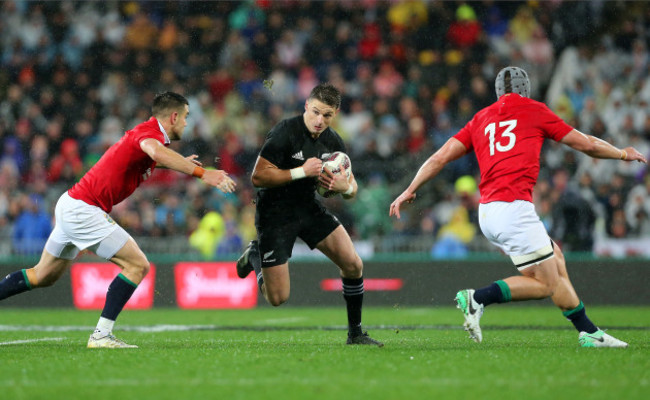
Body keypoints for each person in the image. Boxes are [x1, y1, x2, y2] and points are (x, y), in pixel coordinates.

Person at [389, 67, 647, 348]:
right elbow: (586, 144)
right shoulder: (534, 110)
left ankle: (589, 332)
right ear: (526, 89)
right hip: (514, 209)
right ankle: (477, 298)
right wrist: (622, 153)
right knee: (546, 285)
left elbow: (439, 158)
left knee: (556, 261)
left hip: (488, 211)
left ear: (498, 91)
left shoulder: (481, 118)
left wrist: (409, 189)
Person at [0, 92, 236, 348]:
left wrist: (178, 164)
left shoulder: (146, 135)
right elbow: (154, 151)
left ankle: (101, 334)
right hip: (84, 210)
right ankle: (101, 334)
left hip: (71, 204)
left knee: (42, 276)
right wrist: (203, 174)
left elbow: (146, 157)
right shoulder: (152, 137)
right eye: (186, 118)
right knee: (138, 265)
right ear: (174, 116)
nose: (187, 124)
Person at [236, 83, 383, 347]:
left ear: (335, 113)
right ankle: (256, 255)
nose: (319, 120)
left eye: (326, 115)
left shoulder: (333, 141)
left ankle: (356, 334)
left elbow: (352, 189)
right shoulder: (285, 132)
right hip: (275, 214)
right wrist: (301, 171)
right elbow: (257, 177)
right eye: (315, 112)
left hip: (308, 208)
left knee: (353, 264)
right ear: (306, 105)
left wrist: (345, 187)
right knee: (277, 298)